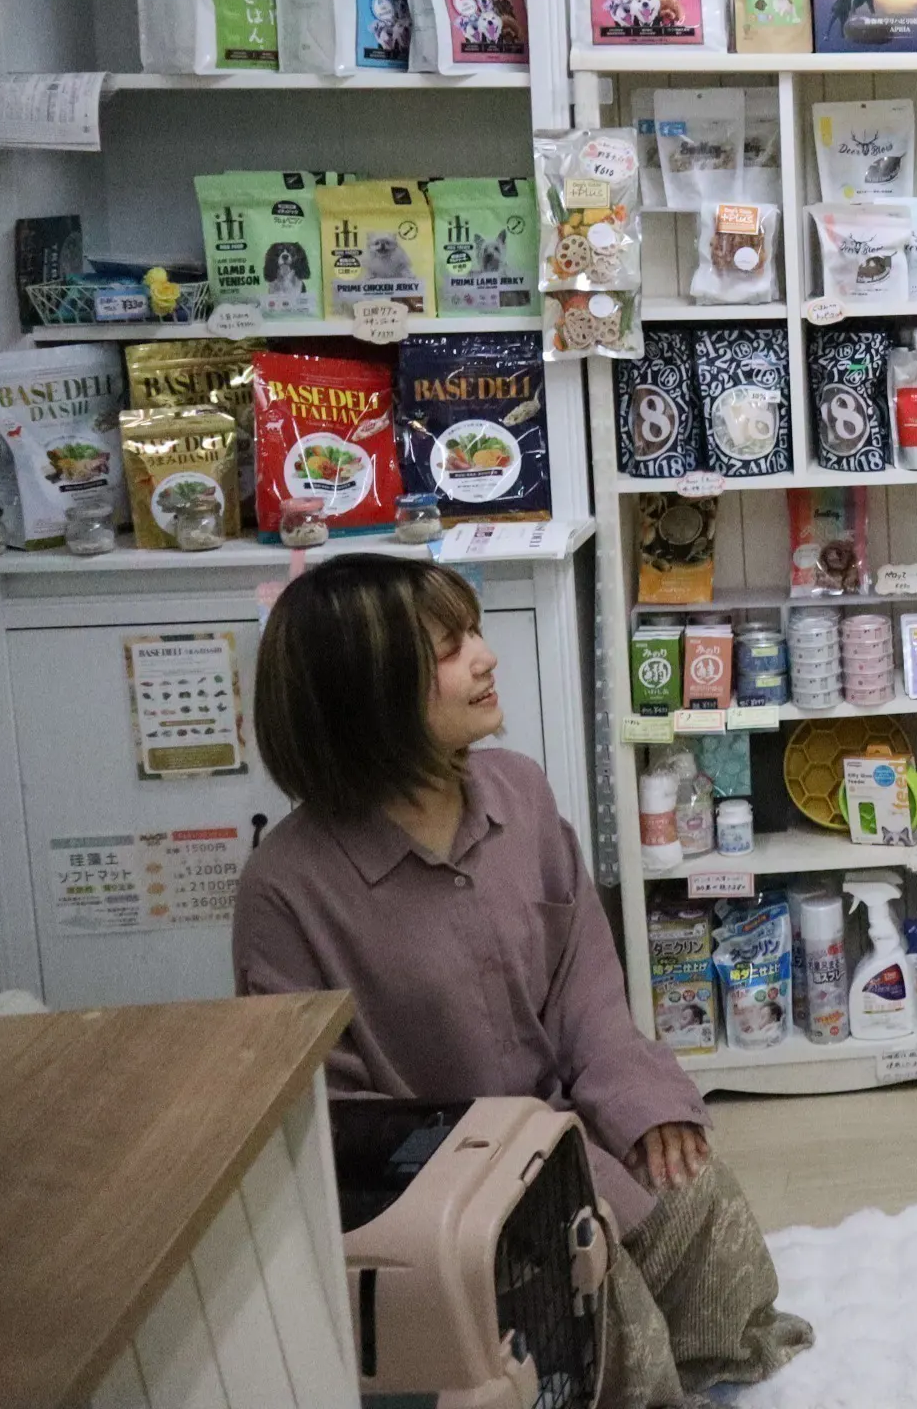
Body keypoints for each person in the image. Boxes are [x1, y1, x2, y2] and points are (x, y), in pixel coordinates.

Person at [232, 555, 810, 1408]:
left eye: (473, 632)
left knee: (694, 1190)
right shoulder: (285, 890)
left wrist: (637, 1100)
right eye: (449, 648)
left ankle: (713, 1366)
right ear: (364, 692)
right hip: (450, 1196)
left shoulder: (519, 792)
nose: (485, 657)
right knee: (592, 1280)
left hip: (567, 1131)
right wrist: (521, 1181)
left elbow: (585, 982)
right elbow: (330, 1119)